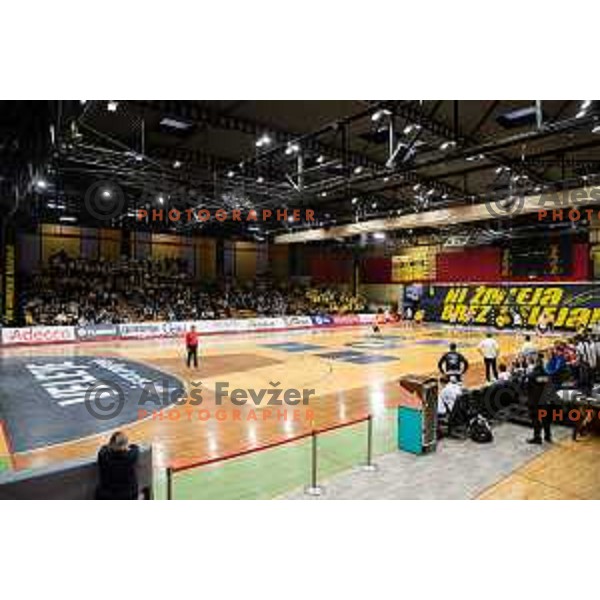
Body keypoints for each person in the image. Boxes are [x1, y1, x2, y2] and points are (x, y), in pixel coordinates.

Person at [96, 432, 139, 500]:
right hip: (129, 495)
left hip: (108, 496)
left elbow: (103, 448)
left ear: (112, 444)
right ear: (125, 445)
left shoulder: (104, 456)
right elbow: (134, 447)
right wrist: (126, 448)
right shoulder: (132, 456)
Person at [526, 354, 554, 444]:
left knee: (536, 420)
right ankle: (548, 436)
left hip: (535, 402)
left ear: (535, 364)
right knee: (546, 419)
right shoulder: (547, 375)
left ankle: (537, 437)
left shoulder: (531, 376)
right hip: (545, 401)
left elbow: (527, 389)